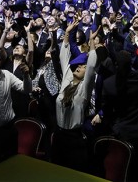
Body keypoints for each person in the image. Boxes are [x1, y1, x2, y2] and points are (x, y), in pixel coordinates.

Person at [100, 48, 138, 182]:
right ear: (130, 65)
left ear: (116, 65)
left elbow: (107, 110)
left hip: (123, 131)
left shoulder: (109, 84)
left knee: (127, 166)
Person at [51, 18, 99, 172]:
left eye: (83, 67)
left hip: (74, 139)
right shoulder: (67, 80)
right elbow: (64, 55)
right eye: (79, 65)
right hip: (58, 136)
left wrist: (91, 42)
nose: (80, 67)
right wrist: (67, 33)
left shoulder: (85, 88)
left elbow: (91, 64)